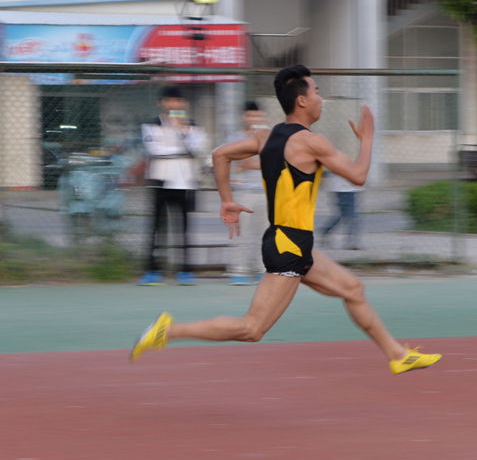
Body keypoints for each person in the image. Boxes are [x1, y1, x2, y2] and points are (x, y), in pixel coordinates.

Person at [130, 65, 441, 375]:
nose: (321, 99)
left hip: (291, 242)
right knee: (252, 328)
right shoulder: (312, 142)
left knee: (352, 289)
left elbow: (220, 155)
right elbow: (358, 176)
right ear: (302, 101)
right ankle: (168, 331)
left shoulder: (265, 136)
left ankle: (397, 355)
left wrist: (227, 200)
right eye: (317, 92)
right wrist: (368, 139)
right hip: (288, 246)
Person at [137, 86, 208, 286]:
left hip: (186, 181)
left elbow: (198, 147)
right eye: (170, 101)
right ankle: (152, 270)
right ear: (161, 103)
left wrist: (182, 131)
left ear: (185, 104)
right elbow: (154, 149)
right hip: (161, 180)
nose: (174, 105)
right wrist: (181, 150)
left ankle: (185, 270)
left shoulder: (192, 125)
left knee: (184, 228)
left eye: (178, 101)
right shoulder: (151, 125)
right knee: (156, 228)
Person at [226, 101, 269, 285]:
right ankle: (239, 271)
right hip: (243, 191)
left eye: (257, 116)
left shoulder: (270, 136)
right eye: (250, 116)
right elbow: (238, 162)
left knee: (264, 233)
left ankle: (262, 269)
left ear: (263, 117)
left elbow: (274, 162)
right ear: (244, 117)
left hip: (265, 190)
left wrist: (252, 163)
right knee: (241, 232)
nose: (254, 119)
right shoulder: (235, 137)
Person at [320, 173, 362, 250]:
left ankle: (325, 232)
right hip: (344, 188)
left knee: (343, 216)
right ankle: (351, 242)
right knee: (351, 217)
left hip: (348, 187)